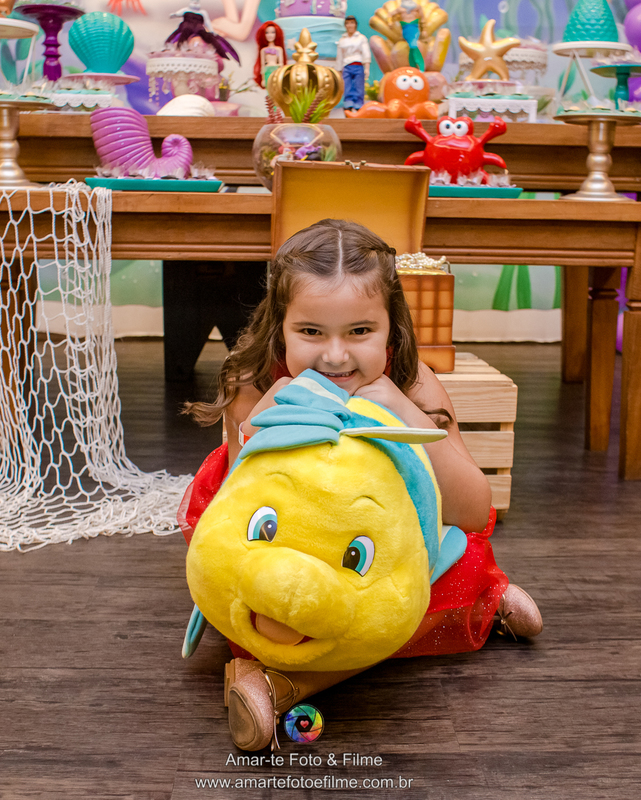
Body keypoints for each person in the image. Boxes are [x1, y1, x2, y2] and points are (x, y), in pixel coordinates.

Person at [182, 219, 542, 750]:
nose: (334, 356)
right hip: (288, 540)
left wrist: (403, 415)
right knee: (255, 608)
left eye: (359, 331)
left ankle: (480, 600)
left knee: (458, 564)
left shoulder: (413, 383)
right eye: (310, 332)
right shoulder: (255, 382)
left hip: (371, 546)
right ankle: (479, 611)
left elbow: (470, 510)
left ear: (390, 325)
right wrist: (262, 422)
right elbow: (244, 511)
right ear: (281, 326)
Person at [336, 16, 371, 110]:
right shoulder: (342, 40)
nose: (350, 25)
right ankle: (348, 104)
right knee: (347, 86)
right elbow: (340, 56)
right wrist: (339, 70)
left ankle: (359, 104)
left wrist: (367, 67)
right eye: (347, 23)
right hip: (346, 65)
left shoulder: (361, 38)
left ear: (355, 24)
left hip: (358, 65)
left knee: (359, 86)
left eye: (352, 23)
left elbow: (366, 52)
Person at [254, 21, 285, 89]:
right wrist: (263, 79)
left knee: (277, 89)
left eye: (273, 32)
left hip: (276, 70)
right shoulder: (263, 50)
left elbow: (281, 63)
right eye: (267, 33)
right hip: (267, 71)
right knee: (269, 90)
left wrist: (281, 76)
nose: (270, 35)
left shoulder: (279, 49)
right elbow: (262, 65)